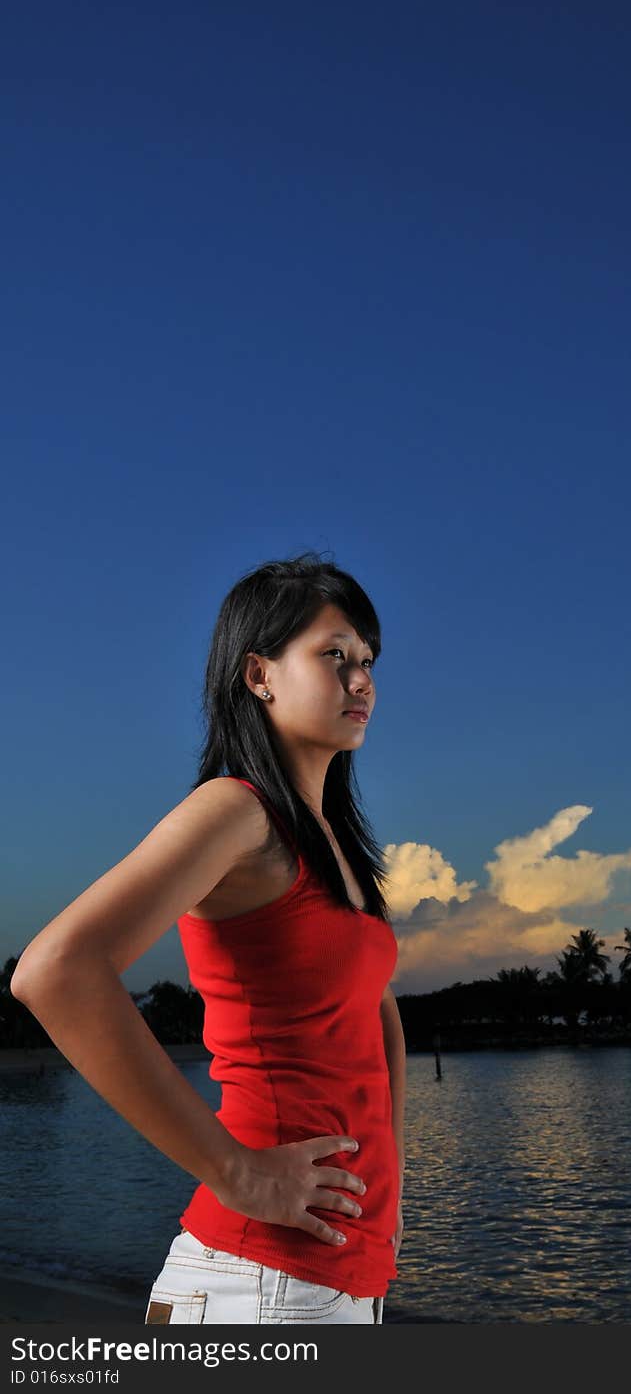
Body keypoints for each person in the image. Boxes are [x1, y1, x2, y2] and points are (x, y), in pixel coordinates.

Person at [11, 554, 406, 1324]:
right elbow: (55, 970)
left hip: (335, 1273)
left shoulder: (333, 842)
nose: (362, 680)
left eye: (368, 661)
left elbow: (374, 1011)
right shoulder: (235, 810)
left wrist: (395, 1184)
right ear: (259, 674)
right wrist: (236, 1173)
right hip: (261, 1281)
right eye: (334, 655)